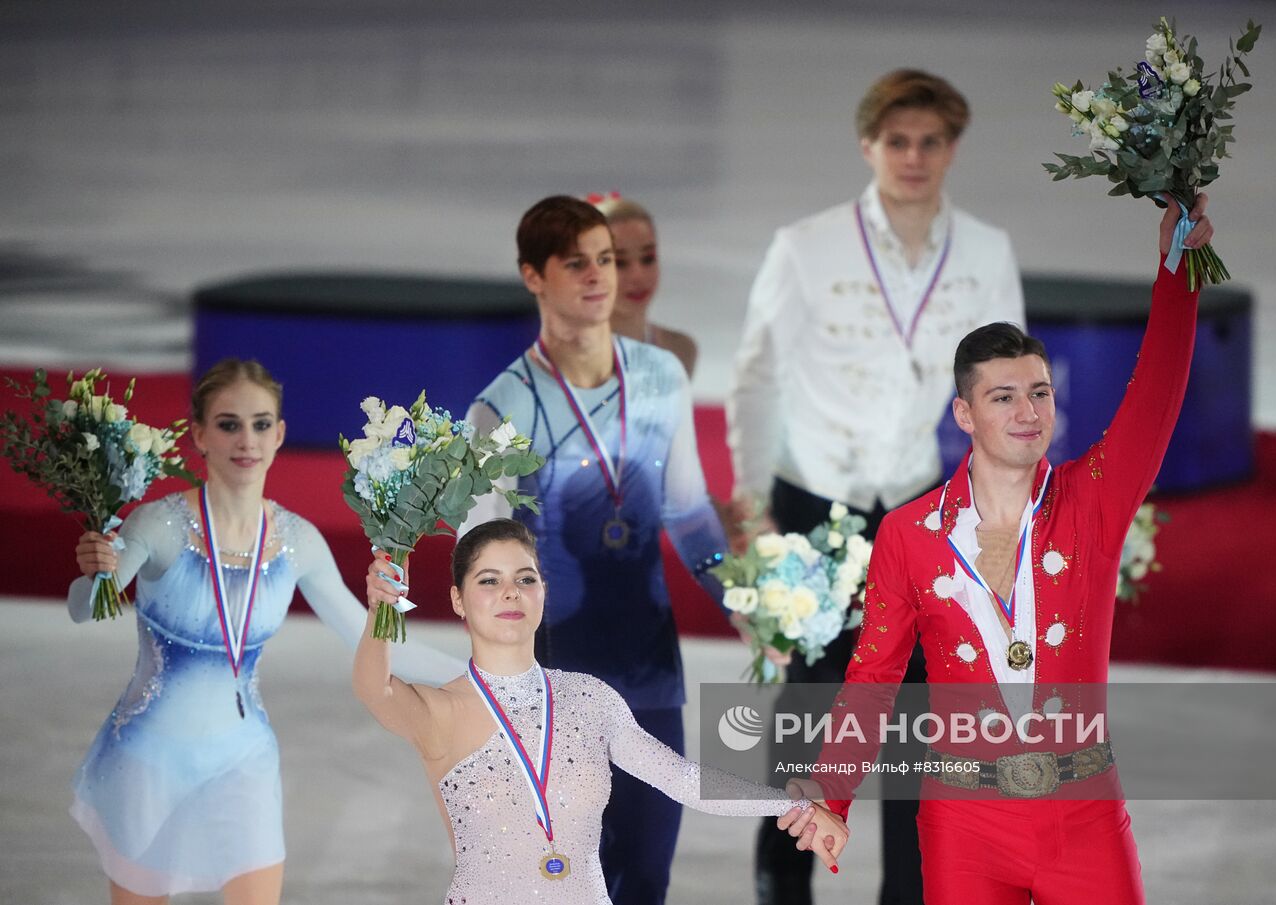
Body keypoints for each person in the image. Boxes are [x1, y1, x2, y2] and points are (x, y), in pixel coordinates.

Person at [810, 198, 1215, 904]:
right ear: (964, 413)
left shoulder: (1093, 499)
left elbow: (1155, 395)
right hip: (965, 822)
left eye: (1040, 392)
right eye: (1003, 398)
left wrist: (1176, 272)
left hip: (1083, 813)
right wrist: (831, 798)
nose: (1028, 412)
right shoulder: (909, 534)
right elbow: (872, 678)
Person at [725, 68, 1024, 904]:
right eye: (898, 141)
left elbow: (1010, 391)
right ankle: (782, 879)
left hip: (925, 506)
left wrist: (1008, 514)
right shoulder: (806, 244)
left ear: (953, 148)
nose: (915, 156)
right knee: (815, 707)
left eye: (931, 141)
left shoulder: (986, 251)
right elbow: (755, 380)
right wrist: (752, 511)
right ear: (869, 145)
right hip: (814, 503)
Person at [67, 359, 464, 905]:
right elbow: (86, 608)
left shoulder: (299, 540)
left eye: (260, 424)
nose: (246, 439)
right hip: (148, 760)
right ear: (201, 435)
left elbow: (370, 637)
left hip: (243, 759)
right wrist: (94, 572)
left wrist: (486, 677)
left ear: (279, 435)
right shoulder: (156, 525)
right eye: (229, 424)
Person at [459, 195, 733, 904]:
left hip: (648, 667)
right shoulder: (502, 407)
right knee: (557, 880)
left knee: (645, 876)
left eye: (605, 259)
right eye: (575, 262)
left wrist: (754, 609)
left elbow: (687, 510)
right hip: (550, 678)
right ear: (532, 276)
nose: (598, 276)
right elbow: (480, 560)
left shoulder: (660, 377)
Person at [354, 518, 849, 904]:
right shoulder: (440, 709)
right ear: (458, 601)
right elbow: (375, 689)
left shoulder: (589, 698)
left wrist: (795, 805)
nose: (511, 592)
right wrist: (381, 608)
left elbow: (682, 778)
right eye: (489, 580)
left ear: (543, 592)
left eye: (526, 578)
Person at [593, 194, 699, 378]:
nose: (638, 276)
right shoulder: (566, 357)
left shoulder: (680, 349)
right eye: (620, 262)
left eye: (648, 259)